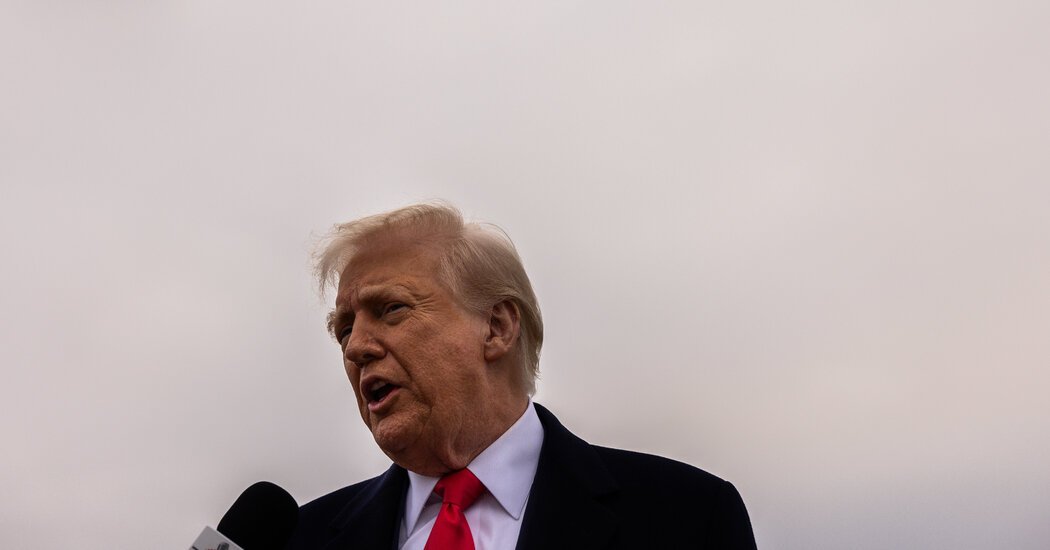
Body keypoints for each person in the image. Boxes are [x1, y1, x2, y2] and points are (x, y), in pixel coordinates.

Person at [286, 202, 757, 549]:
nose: (356, 348)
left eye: (391, 309)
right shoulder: (299, 539)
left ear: (497, 327)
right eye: (343, 330)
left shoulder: (687, 516)